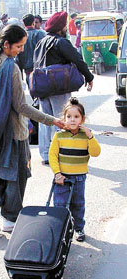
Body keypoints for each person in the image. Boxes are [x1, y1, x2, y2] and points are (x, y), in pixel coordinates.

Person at [0, 24, 66, 233]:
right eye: (19, 46)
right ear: (6, 44)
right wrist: (51, 120)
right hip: (13, 132)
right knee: (17, 177)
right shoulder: (10, 67)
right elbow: (21, 106)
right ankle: (10, 218)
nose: (22, 50)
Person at [33, 11, 94, 165]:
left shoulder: (41, 42)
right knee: (63, 119)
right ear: (60, 28)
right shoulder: (61, 42)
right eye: (65, 26)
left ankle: (46, 154)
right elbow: (77, 59)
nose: (66, 28)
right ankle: (64, 151)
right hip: (58, 87)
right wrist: (89, 76)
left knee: (45, 121)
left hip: (42, 87)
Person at [49, 97, 101, 242]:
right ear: (64, 118)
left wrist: (90, 136)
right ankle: (60, 229)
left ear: (82, 119)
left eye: (76, 117)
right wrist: (57, 173)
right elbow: (53, 156)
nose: (72, 120)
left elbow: (96, 152)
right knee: (59, 204)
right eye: (69, 116)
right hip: (62, 177)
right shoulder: (59, 135)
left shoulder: (86, 136)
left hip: (79, 177)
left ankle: (78, 228)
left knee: (78, 204)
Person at [15, 14, 46, 86]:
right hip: (41, 70)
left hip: (28, 71)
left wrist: (20, 77)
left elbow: (17, 57)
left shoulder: (19, 36)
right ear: (33, 22)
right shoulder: (42, 34)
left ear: (23, 23)